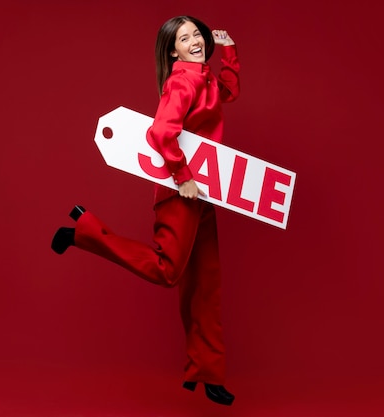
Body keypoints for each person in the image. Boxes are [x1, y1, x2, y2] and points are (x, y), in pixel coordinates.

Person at [51, 15, 240, 406]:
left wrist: (230, 51)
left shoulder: (204, 79)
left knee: (206, 283)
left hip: (206, 192)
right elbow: (160, 132)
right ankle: (83, 232)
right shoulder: (181, 81)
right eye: (184, 38)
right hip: (180, 189)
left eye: (196, 35)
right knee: (168, 271)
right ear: (173, 50)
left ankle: (207, 374)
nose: (195, 42)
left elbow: (230, 92)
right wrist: (183, 176)